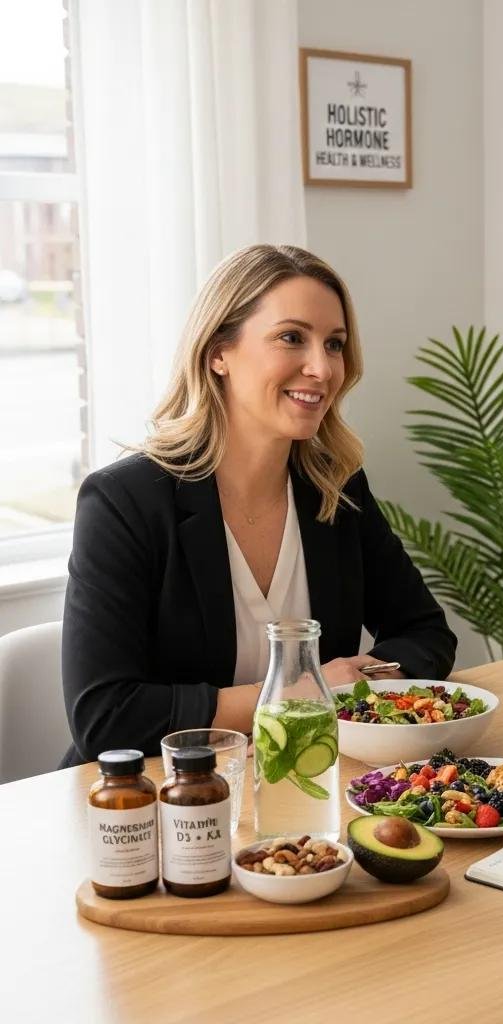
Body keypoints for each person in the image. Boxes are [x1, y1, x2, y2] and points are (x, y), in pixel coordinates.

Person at [61, 244, 456, 766]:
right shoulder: (124, 502)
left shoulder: (336, 488)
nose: (322, 368)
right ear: (217, 353)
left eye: (334, 344)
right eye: (291, 338)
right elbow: (107, 719)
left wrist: (365, 683)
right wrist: (303, 692)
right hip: (158, 802)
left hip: (308, 777)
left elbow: (426, 633)